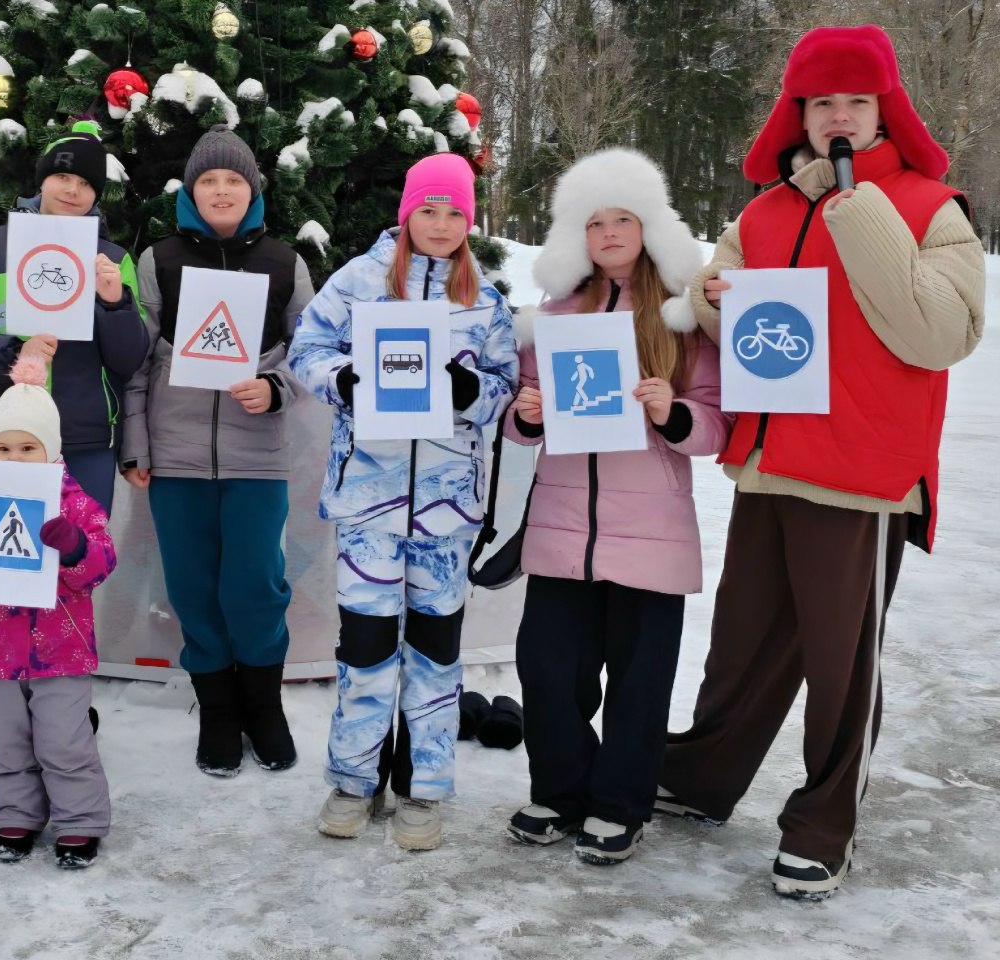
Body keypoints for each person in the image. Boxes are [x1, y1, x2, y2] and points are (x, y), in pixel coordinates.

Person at [657, 24, 985, 899]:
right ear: (796, 113)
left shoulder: (929, 207)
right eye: (821, 103)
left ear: (885, 111)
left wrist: (858, 210)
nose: (838, 118)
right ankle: (700, 777)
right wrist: (709, 296)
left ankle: (823, 824)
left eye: (856, 102)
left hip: (867, 474)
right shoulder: (761, 212)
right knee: (743, 642)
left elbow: (939, 333)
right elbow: (722, 308)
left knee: (842, 662)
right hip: (770, 463)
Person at [499, 149, 729, 864]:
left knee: (639, 677)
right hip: (563, 528)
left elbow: (716, 422)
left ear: (649, 227)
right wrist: (528, 412)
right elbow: (517, 422)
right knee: (548, 668)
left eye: (621, 219)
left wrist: (671, 413)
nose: (607, 232)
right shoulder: (554, 315)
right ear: (577, 235)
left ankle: (620, 802)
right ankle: (561, 790)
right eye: (593, 222)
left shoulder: (682, 316)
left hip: (649, 532)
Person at [289, 153, 518, 850]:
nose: (442, 224)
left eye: (455, 213)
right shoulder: (359, 281)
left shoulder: (484, 300)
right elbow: (305, 351)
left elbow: (507, 387)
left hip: (446, 514)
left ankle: (424, 786)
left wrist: (470, 393)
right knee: (365, 651)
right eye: (429, 210)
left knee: (434, 652)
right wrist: (347, 383)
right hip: (369, 505)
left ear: (469, 220)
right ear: (408, 213)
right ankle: (355, 780)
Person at [0, 120, 148, 775]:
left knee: (69, 578)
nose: (72, 190)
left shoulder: (113, 257)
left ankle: (64, 705)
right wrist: (6, 355)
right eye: (62, 176)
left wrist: (114, 303)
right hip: (6, 442)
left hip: (81, 443)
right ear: (41, 181)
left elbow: (131, 357)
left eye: (85, 181)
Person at [119, 125, 315, 777]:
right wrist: (137, 444)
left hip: (256, 460)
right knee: (194, 591)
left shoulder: (285, 263)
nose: (222, 190)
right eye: (210, 180)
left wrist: (275, 387)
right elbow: (138, 363)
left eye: (235, 180)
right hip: (175, 461)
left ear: (253, 190)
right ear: (191, 191)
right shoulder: (161, 260)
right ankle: (219, 713)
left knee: (255, 586)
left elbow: (314, 352)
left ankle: (265, 708)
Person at [0, 355, 115, 868]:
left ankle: (79, 821)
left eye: (28, 448)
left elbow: (101, 566)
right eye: (3, 448)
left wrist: (75, 548)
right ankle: (17, 814)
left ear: (51, 449)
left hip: (60, 648)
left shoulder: (75, 506)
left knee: (63, 742)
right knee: (7, 742)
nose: (14, 458)